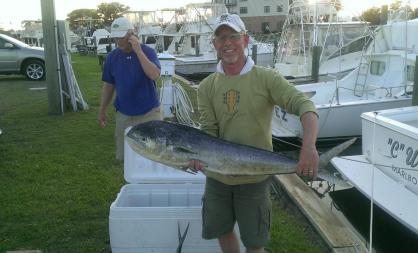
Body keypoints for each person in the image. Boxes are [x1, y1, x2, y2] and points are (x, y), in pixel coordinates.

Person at [192, 13, 319, 253]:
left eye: (233, 36)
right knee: (221, 229)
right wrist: (197, 155)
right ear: (215, 45)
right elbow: (208, 132)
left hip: (255, 179)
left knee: (255, 241)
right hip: (217, 178)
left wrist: (309, 147)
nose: (227, 43)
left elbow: (306, 106)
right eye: (221, 38)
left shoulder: (266, 78)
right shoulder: (207, 86)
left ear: (246, 40)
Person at [98, 17, 162, 160]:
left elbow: (154, 75)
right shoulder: (111, 58)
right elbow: (109, 85)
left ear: (131, 34)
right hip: (124, 115)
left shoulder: (148, 52)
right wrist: (102, 110)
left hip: (149, 113)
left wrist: (139, 52)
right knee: (124, 157)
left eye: (121, 37)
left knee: (153, 158)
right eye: (115, 37)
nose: (118, 41)